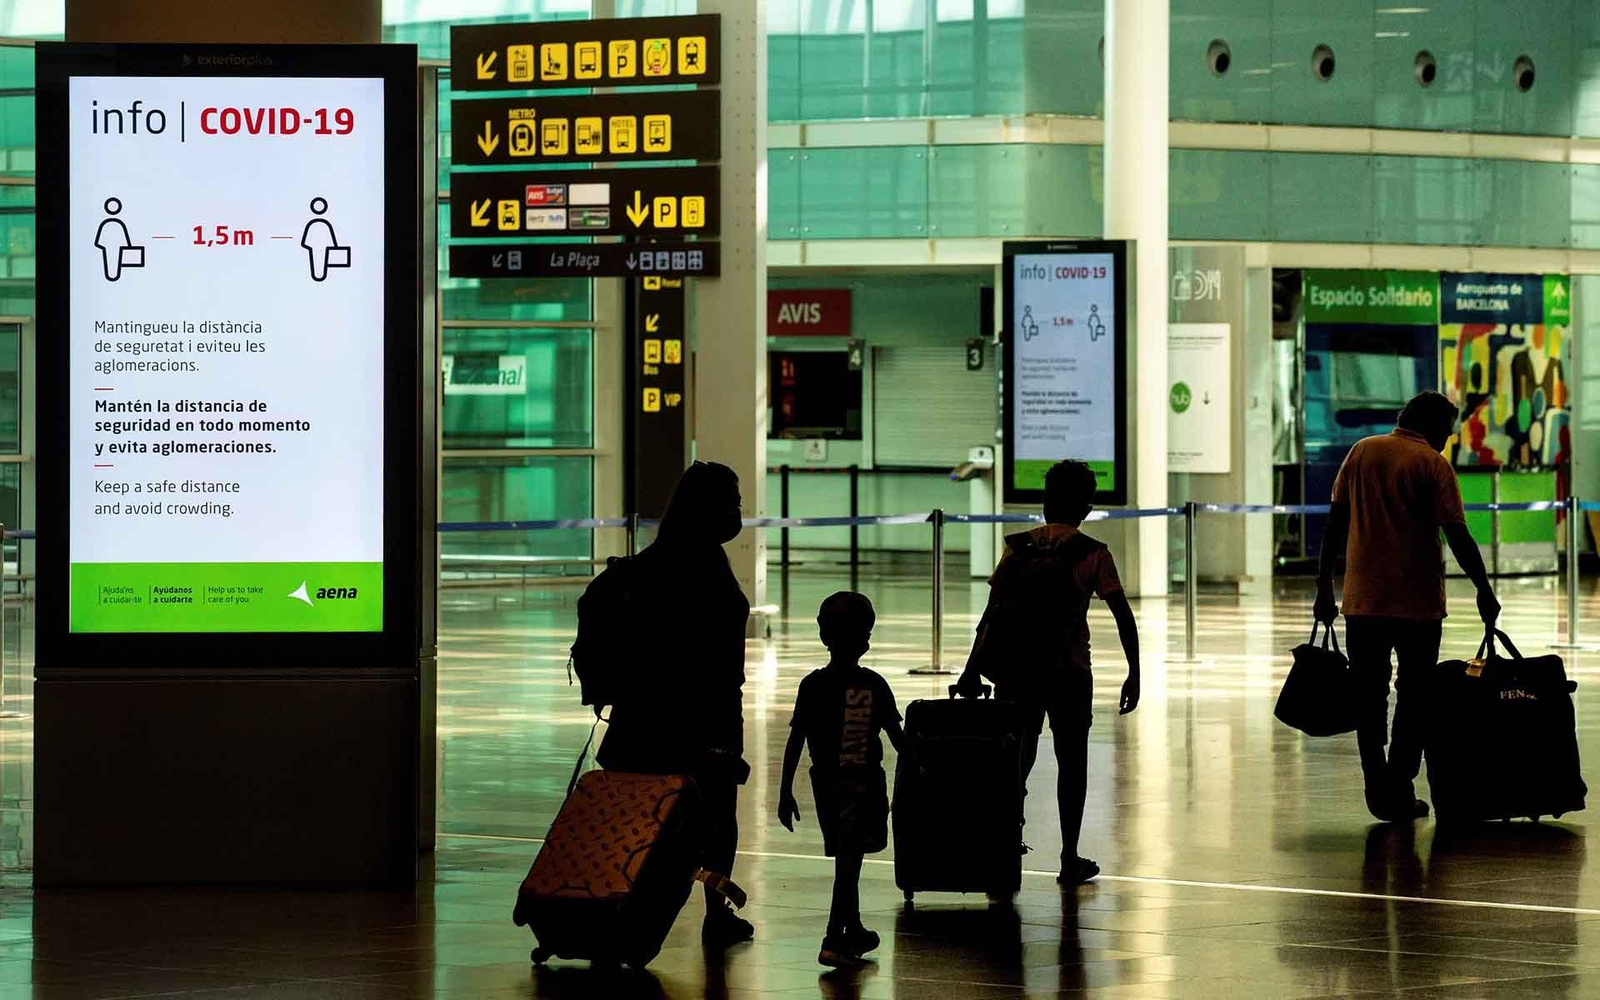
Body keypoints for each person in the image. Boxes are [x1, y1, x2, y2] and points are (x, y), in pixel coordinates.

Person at [1315, 390, 1501, 823]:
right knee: (1415, 697)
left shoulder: (1361, 452)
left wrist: (1324, 585)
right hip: (1417, 604)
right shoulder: (1432, 465)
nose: (1447, 441)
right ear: (1434, 426)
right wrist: (1483, 588)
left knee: (1368, 695)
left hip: (1363, 601)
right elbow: (1457, 534)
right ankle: (1398, 784)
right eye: (1447, 432)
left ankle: (1376, 784)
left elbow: (1335, 523)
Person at [594, 461, 755, 947]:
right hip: (704, 722)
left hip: (641, 720)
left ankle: (610, 902)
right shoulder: (704, 568)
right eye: (732, 502)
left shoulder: (651, 562)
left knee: (641, 820)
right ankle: (715, 915)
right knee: (716, 819)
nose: (737, 512)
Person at [956, 459, 1140, 886]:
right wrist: (1134, 671)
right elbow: (1122, 614)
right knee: (1071, 762)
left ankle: (1002, 847)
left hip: (1015, 671)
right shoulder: (1093, 553)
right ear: (1087, 506)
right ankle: (1069, 856)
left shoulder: (1018, 547)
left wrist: (971, 668)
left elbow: (993, 613)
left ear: (1044, 502)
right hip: (1069, 673)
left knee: (1014, 761)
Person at [778, 591, 904, 968]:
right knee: (849, 863)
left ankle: (854, 927)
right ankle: (834, 937)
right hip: (863, 783)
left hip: (826, 784)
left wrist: (785, 791)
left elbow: (795, 740)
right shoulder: (875, 685)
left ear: (823, 636)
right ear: (866, 640)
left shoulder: (812, 685)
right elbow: (900, 741)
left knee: (848, 858)